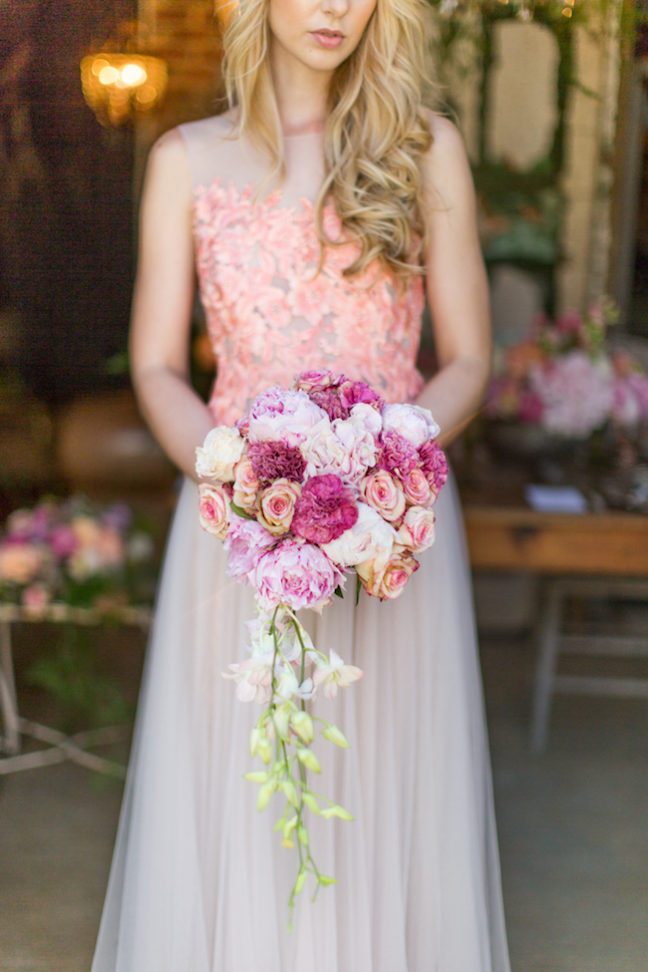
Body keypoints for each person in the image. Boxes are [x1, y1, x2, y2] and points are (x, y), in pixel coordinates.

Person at [92, 0, 510, 969]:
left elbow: (471, 358)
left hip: (389, 528)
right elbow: (156, 366)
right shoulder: (186, 161)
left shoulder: (425, 147)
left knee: (381, 785)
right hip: (240, 525)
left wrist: (386, 457)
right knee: (243, 787)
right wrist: (232, 472)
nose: (335, 7)